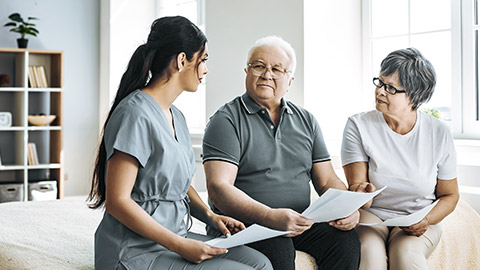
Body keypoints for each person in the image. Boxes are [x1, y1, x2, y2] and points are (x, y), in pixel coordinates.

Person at [87, 16, 272, 270]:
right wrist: (179, 245)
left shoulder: (178, 117)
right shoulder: (134, 114)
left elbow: (179, 186)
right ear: (182, 60)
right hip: (133, 250)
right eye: (203, 60)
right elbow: (117, 201)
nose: (205, 69)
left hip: (173, 237)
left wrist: (210, 216)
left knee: (261, 263)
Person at [202, 35, 361, 270]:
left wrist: (349, 209)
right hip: (246, 226)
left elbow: (327, 179)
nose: (267, 74)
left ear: (290, 80)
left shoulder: (307, 121)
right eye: (258, 66)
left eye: (277, 69)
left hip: (298, 222)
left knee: (345, 241)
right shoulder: (225, 121)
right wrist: (268, 216)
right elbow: (219, 189)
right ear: (246, 71)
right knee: (278, 248)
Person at [341, 48, 459, 270]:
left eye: (391, 88)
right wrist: (360, 193)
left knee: (406, 254)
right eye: (379, 82)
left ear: (414, 97)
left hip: (419, 217)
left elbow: (450, 195)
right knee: (370, 255)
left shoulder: (439, 133)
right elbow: (357, 190)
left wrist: (426, 220)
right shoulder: (358, 125)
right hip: (371, 216)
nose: (380, 92)